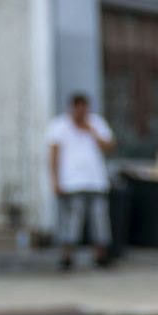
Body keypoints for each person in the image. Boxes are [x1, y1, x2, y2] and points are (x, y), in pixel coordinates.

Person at [44, 93, 116, 270]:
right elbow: (53, 155)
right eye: (78, 109)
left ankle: (101, 256)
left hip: (96, 182)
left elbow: (109, 147)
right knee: (72, 220)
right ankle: (67, 256)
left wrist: (91, 131)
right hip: (71, 183)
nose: (81, 113)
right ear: (72, 108)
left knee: (99, 220)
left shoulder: (96, 124)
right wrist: (55, 180)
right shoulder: (59, 126)